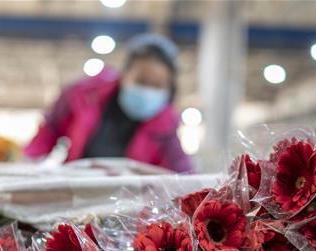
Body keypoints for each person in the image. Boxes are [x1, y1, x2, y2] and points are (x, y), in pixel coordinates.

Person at [25, 33, 193, 173]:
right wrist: (30, 163)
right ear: (124, 74)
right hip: (75, 187)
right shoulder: (84, 94)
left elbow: (181, 172)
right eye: (141, 81)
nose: (148, 90)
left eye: (157, 86)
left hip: (127, 204)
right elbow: (50, 127)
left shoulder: (166, 126)